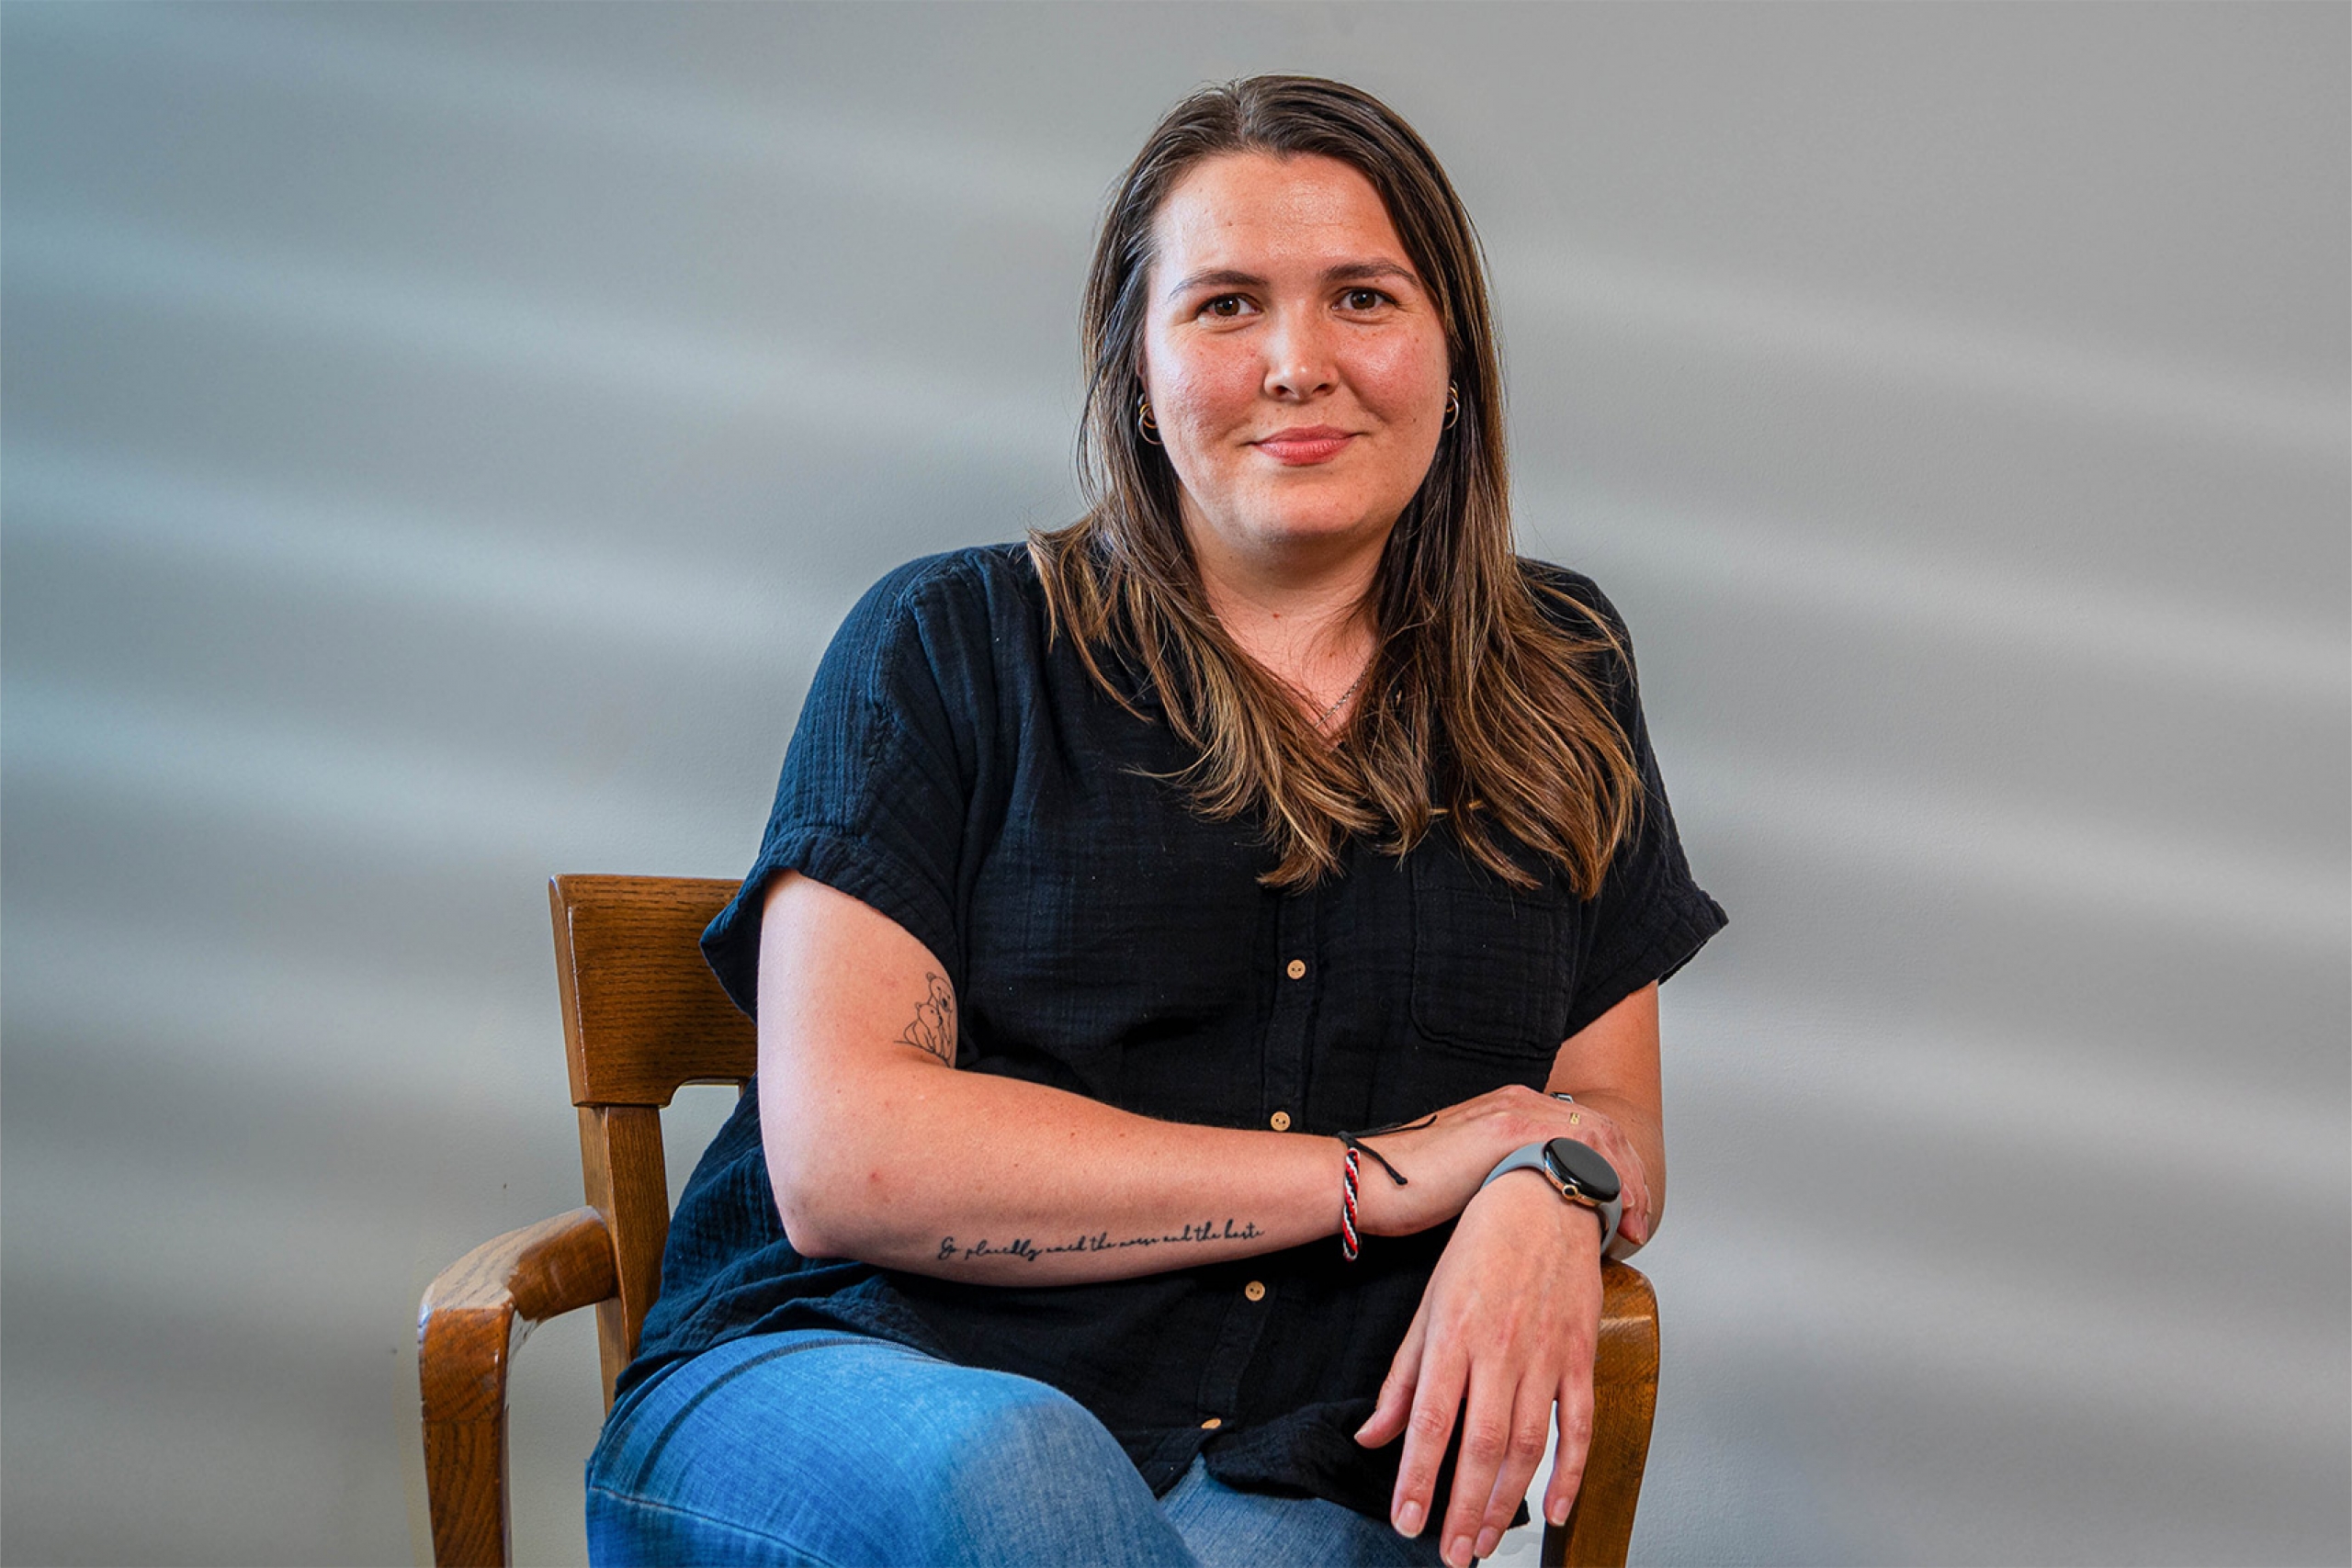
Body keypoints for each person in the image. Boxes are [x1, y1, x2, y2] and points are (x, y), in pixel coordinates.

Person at [586, 74, 1724, 1568]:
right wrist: (1380, 1177)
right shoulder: (947, 644)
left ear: (1454, 354)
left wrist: (1545, 1188)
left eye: (1364, 297)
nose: (1298, 364)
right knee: (1022, 1470)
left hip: (1290, 1454)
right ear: (1135, 366)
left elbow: (1602, 1113)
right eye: (1227, 306)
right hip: (846, 1387)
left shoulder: (1561, 675)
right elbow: (849, 1160)